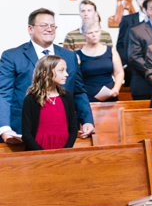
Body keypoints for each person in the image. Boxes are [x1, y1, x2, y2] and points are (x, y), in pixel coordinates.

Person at [0, 9, 96, 149]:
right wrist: (4, 128)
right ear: (30, 28)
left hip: (61, 133)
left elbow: (79, 91)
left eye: (52, 26)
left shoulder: (69, 56)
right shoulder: (12, 56)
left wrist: (87, 120)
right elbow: (4, 94)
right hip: (23, 131)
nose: (49, 29)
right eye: (44, 25)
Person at [22, 55, 79, 150]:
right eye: (61, 70)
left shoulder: (67, 97)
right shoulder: (31, 99)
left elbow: (73, 128)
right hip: (38, 150)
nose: (66, 74)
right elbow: (27, 133)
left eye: (66, 70)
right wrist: (42, 154)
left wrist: (65, 150)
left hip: (63, 149)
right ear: (46, 73)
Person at [78, 20, 125, 101]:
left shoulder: (111, 51)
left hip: (110, 95)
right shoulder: (78, 54)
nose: (94, 35)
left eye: (96, 32)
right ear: (84, 35)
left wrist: (116, 89)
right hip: (88, 97)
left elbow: (119, 72)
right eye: (90, 33)